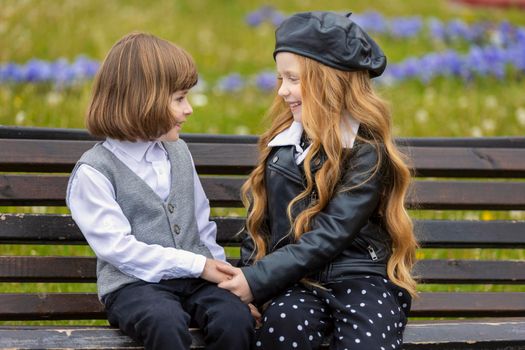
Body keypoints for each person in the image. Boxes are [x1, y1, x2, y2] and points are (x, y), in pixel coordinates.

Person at [217, 11, 418, 350]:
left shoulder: (365, 151)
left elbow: (332, 233)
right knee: (283, 326)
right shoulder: (281, 145)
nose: (282, 91)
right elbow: (260, 224)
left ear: (328, 81)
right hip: (295, 282)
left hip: (360, 278)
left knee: (365, 342)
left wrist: (257, 280)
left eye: (292, 79)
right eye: (281, 78)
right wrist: (252, 283)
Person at [66, 32, 254, 350]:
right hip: (133, 286)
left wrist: (228, 283)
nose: (189, 108)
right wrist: (197, 265)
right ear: (144, 101)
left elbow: (201, 225)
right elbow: (118, 249)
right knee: (164, 322)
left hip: (195, 281)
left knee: (234, 319)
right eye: (180, 98)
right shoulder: (94, 172)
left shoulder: (178, 152)